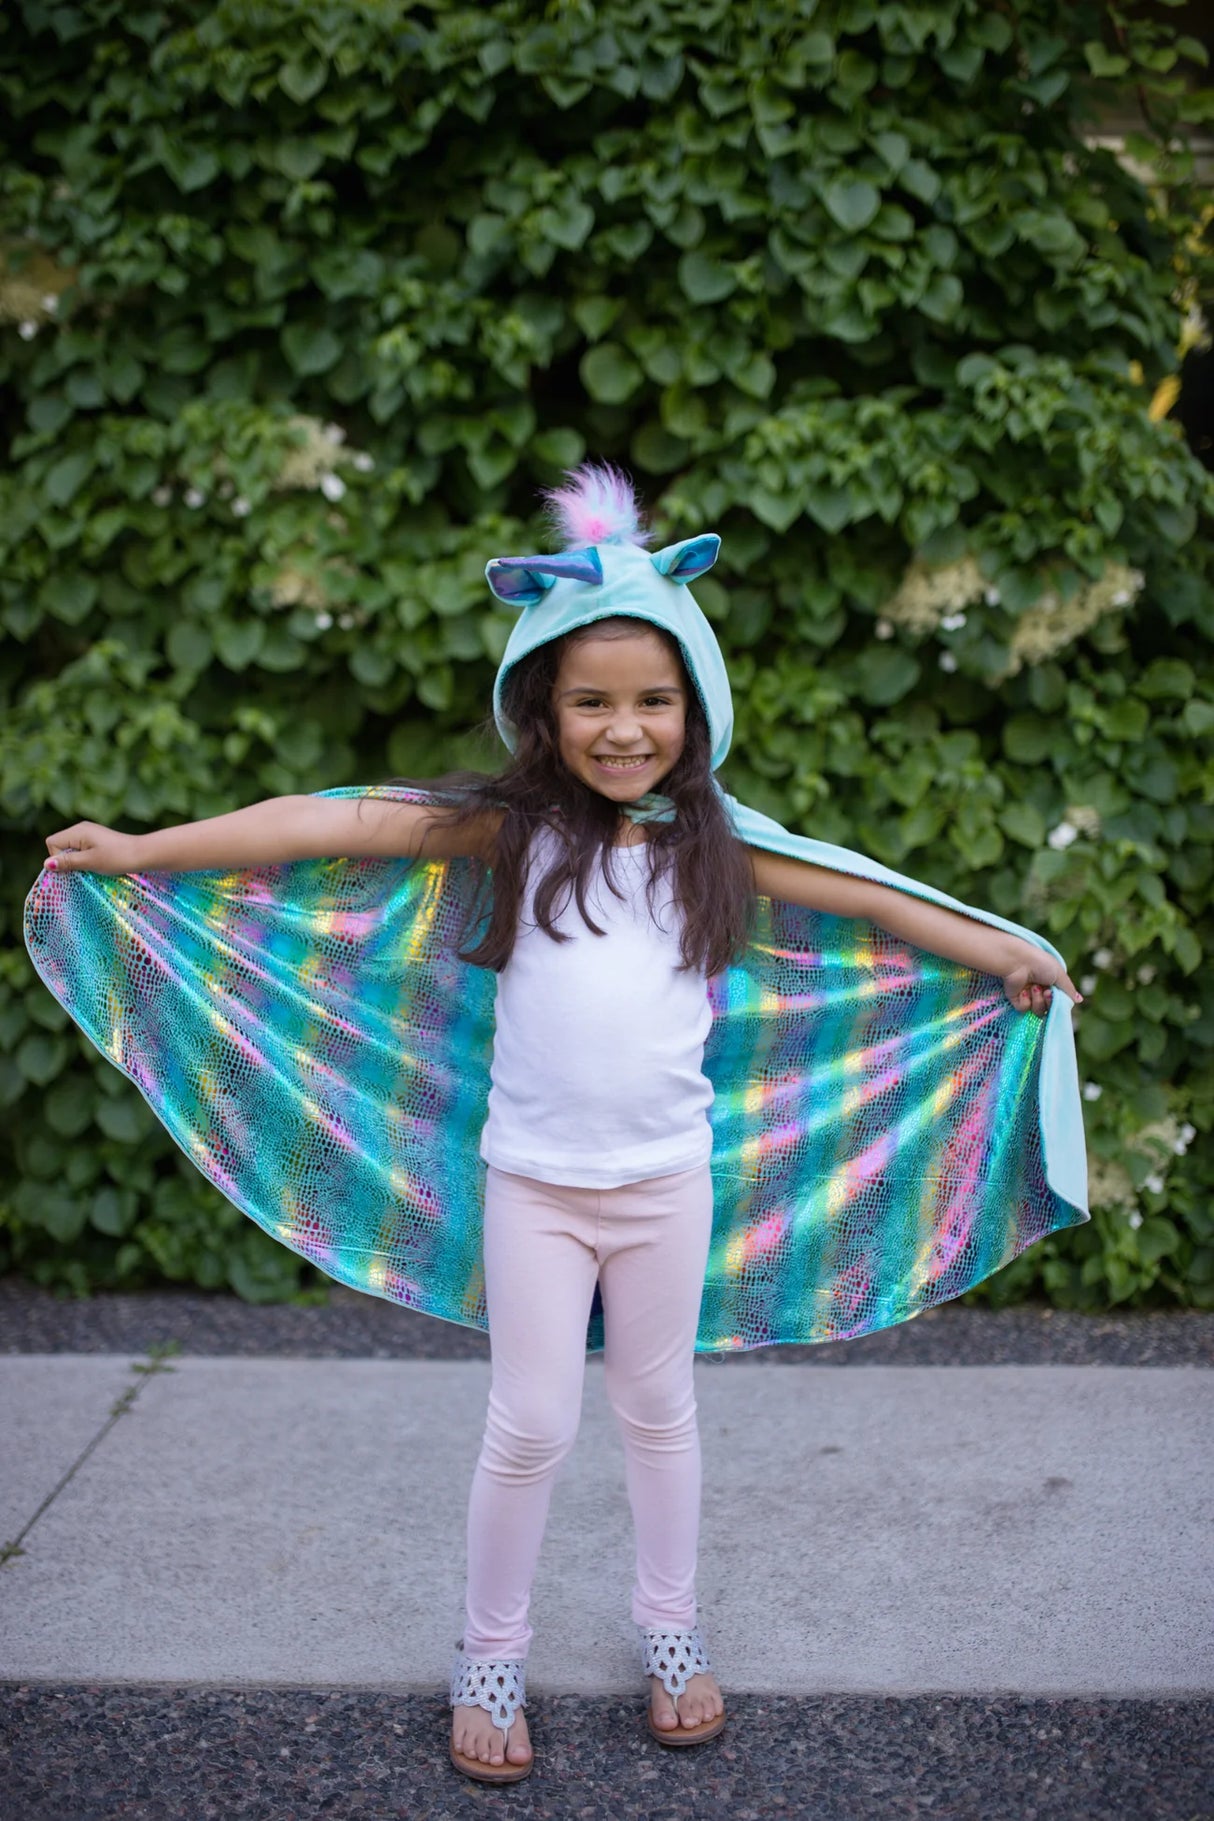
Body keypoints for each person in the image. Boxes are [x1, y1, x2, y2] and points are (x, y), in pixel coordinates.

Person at [29, 464, 1086, 1785]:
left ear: (694, 709)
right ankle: (488, 1652)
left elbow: (873, 903)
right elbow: (334, 816)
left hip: (663, 1188)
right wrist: (144, 848)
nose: (624, 726)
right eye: (592, 700)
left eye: (652, 700)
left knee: (659, 1411)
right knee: (527, 1423)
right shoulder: (507, 828)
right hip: (533, 1185)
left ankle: (670, 1629)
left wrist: (1001, 955)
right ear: (543, 708)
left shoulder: (720, 844)